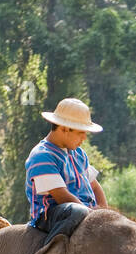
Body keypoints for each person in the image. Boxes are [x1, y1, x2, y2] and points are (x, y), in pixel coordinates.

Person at [25, 97, 108, 229]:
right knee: (76, 212)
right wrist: (92, 215)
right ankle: (54, 247)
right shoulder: (41, 156)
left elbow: (95, 187)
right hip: (52, 216)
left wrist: (105, 213)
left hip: (85, 211)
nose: (84, 138)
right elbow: (62, 196)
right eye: (81, 132)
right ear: (64, 128)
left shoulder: (79, 154)